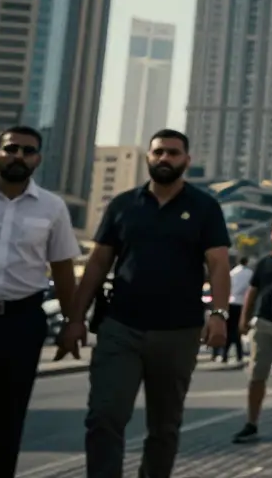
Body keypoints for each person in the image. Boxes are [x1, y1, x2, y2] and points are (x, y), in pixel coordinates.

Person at [59, 129, 232, 478]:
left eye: (172, 153)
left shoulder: (204, 207)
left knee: (164, 427)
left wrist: (218, 314)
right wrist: (74, 319)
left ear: (187, 160)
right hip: (121, 327)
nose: (164, 158)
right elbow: (97, 264)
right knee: (104, 416)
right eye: (158, 152)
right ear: (148, 158)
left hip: (179, 332)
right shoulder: (123, 205)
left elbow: (218, 263)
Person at [0, 126, 81, 477]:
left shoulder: (52, 208)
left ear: (38, 159)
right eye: (11, 148)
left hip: (19, 325)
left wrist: (72, 323)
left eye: (28, 150)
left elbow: (64, 270)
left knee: (6, 428)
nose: (19, 156)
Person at [231, 218, 272, 443]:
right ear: (271, 236)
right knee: (257, 376)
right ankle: (251, 423)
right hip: (263, 324)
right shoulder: (263, 263)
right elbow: (252, 292)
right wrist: (244, 319)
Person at [220, 255, 252, 363]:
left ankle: (225, 354)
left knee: (229, 330)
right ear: (246, 262)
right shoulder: (249, 274)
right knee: (238, 331)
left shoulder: (232, 273)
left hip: (231, 302)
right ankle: (239, 354)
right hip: (242, 304)